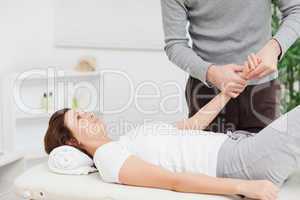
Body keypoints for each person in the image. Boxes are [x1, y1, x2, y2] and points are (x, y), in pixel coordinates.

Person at [44, 59, 300, 200]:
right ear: (73, 142)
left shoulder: (126, 141)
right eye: (79, 118)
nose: (88, 114)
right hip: (239, 163)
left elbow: (192, 126)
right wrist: (244, 187)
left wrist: (226, 94)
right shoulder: (108, 158)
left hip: (242, 147)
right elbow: (174, 182)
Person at [161, 0, 300, 133]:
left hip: (261, 90)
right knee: (205, 157)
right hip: (207, 92)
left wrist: (274, 48)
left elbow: (296, 10)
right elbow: (175, 44)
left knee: (264, 156)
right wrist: (211, 73)